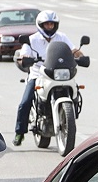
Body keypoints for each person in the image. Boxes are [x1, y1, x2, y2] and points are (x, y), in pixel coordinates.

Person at [13, 10, 83, 147]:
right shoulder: (32, 39)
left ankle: (69, 119)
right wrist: (25, 59)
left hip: (58, 72)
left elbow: (74, 50)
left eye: (52, 24)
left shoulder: (62, 37)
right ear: (41, 25)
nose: (50, 27)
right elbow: (24, 55)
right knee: (25, 102)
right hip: (38, 73)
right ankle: (19, 132)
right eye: (47, 24)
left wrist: (80, 55)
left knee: (76, 91)